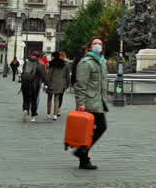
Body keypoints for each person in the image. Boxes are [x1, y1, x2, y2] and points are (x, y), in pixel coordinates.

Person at [72, 37, 110, 170]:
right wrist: (80, 104)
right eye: (95, 44)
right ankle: (82, 152)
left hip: (98, 101)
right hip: (88, 102)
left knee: (90, 131)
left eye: (100, 43)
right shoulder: (86, 62)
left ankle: (83, 157)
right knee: (100, 127)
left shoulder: (101, 62)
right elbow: (80, 85)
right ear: (89, 47)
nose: (98, 45)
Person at [44, 51, 72, 120]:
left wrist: (46, 83)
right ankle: (55, 115)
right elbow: (68, 75)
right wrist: (68, 84)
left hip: (51, 83)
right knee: (57, 99)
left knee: (49, 99)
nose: (51, 58)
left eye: (52, 56)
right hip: (60, 84)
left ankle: (48, 114)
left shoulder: (51, 64)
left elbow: (49, 75)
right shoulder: (65, 64)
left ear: (54, 57)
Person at [19, 51, 45, 122]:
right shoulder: (39, 65)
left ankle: (25, 110)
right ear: (38, 57)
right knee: (34, 100)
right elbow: (43, 75)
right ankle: (33, 116)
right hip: (34, 86)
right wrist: (46, 84)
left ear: (31, 56)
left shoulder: (26, 63)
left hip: (25, 84)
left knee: (26, 99)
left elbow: (23, 72)